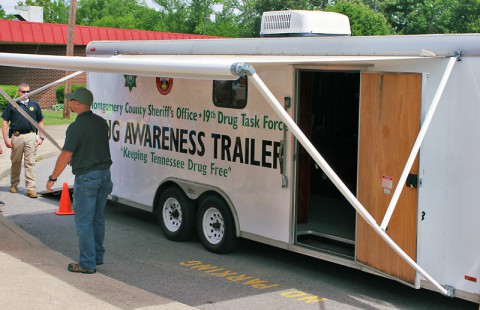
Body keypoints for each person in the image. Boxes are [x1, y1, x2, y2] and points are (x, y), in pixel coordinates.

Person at [46, 87, 113, 274]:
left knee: (83, 221)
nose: (69, 103)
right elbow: (95, 145)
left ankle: (87, 263)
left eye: (71, 101)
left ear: (77, 103)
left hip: (87, 178)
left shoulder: (75, 127)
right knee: (97, 218)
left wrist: (53, 177)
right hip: (105, 175)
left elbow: (66, 155)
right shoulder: (101, 123)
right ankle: (97, 256)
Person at [2, 83, 45, 198]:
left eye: (28, 91)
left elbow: (40, 121)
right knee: (16, 162)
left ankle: (31, 188)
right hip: (17, 136)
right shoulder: (12, 105)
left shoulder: (34, 105)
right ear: (19, 91)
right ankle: (14, 184)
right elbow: (5, 122)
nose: (26, 94)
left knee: (30, 162)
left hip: (31, 136)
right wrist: (6, 138)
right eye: (23, 91)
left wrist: (41, 137)